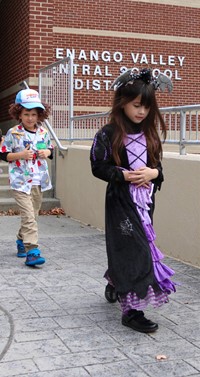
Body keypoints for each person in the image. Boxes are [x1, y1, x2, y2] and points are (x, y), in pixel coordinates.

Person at [90, 68, 176, 333]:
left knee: (133, 248)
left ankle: (116, 282)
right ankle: (131, 311)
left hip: (145, 202)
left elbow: (158, 168)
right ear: (123, 103)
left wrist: (154, 173)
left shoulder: (150, 135)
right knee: (135, 251)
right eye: (137, 105)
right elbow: (97, 166)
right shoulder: (108, 133)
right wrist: (123, 175)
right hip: (120, 203)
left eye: (146, 107)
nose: (142, 112)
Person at [0, 88, 53, 267]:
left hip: (39, 181)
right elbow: (4, 154)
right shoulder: (13, 133)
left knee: (34, 214)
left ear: (40, 115)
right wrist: (21, 155)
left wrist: (46, 152)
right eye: (26, 114)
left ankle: (21, 240)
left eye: (33, 114)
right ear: (19, 114)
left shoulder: (43, 133)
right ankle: (32, 251)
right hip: (20, 182)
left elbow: (50, 150)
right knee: (29, 216)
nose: (30, 118)